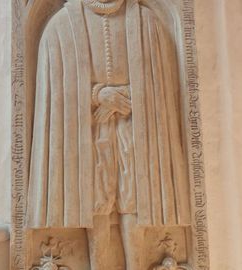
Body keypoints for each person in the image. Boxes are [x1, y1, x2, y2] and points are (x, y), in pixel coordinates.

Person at [27, 0, 191, 269]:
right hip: (91, 134)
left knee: (134, 200)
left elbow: (161, 86)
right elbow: (55, 93)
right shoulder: (61, 27)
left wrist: (128, 96)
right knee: (96, 203)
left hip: (136, 132)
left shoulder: (147, 23)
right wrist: (97, 95)